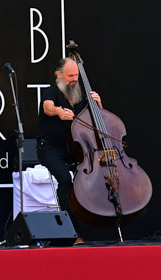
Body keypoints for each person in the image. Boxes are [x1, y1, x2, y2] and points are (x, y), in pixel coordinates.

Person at [36, 57, 100, 225]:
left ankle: (90, 223)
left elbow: (94, 121)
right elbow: (47, 107)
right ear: (59, 75)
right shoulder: (51, 92)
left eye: (76, 75)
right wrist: (59, 111)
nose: (74, 79)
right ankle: (68, 226)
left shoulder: (79, 97)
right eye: (70, 76)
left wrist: (98, 105)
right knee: (65, 179)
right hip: (50, 149)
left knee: (89, 179)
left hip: (74, 149)